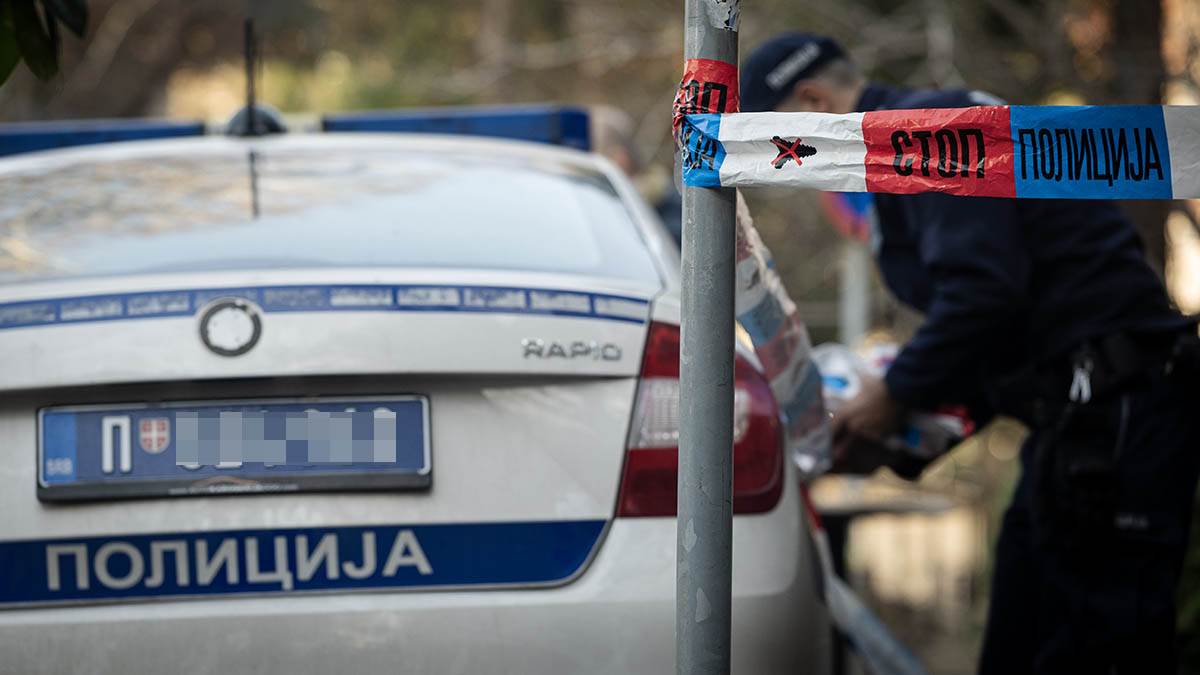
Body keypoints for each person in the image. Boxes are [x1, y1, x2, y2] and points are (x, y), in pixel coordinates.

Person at [740, 32, 1200, 674]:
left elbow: (982, 293)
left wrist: (894, 393)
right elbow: (999, 329)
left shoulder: (926, 133)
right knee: (1019, 640)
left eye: (783, 150)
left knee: (1099, 645)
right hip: (1073, 417)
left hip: (1117, 411)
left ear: (814, 102)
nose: (791, 168)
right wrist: (904, 435)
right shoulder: (913, 144)